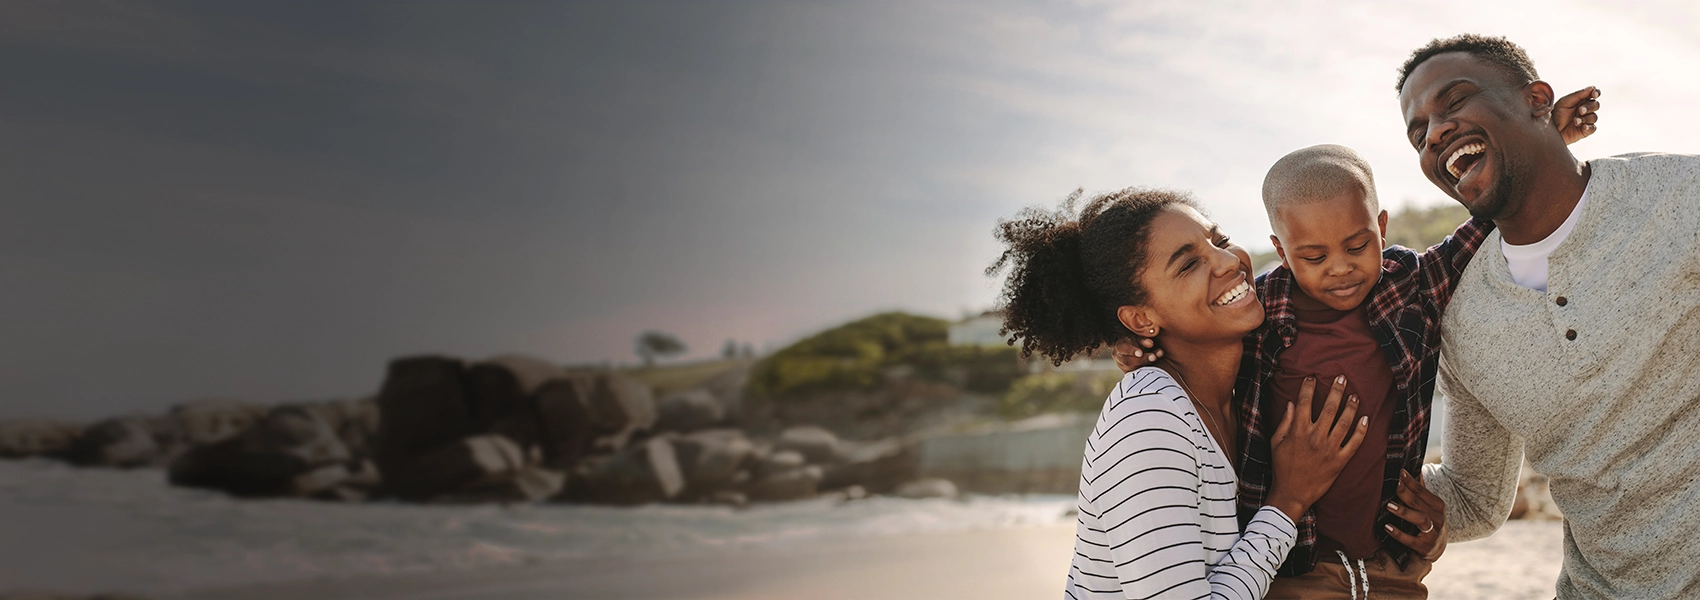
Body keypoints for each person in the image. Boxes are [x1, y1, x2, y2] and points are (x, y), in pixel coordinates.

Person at [1397, 34, 1700, 599]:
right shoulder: (1462, 322)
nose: (1434, 132)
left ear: (1537, 99)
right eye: (1419, 134)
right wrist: (1341, 483)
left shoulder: (1682, 197)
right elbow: (1473, 497)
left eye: (1454, 101)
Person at [990, 188, 1391, 599]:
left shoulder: (1240, 390)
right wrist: (1288, 499)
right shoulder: (1148, 426)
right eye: (1188, 265)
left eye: (1218, 240)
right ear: (1141, 318)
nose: (1229, 260)